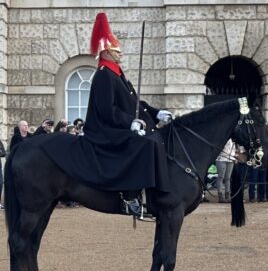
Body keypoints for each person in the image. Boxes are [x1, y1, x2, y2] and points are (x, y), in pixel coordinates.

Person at [44, 12, 172, 219]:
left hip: (119, 124)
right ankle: (131, 197)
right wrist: (130, 122)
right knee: (145, 144)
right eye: (116, 50)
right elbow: (106, 110)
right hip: (105, 128)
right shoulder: (104, 75)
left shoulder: (117, 74)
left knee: (155, 139)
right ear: (106, 52)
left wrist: (157, 113)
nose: (120, 53)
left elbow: (136, 104)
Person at [215, 138, 237, 203]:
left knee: (228, 178)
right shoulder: (222, 137)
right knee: (221, 177)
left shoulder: (232, 140)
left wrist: (234, 156)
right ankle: (220, 196)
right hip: (221, 158)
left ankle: (228, 195)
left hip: (230, 159)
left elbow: (233, 149)